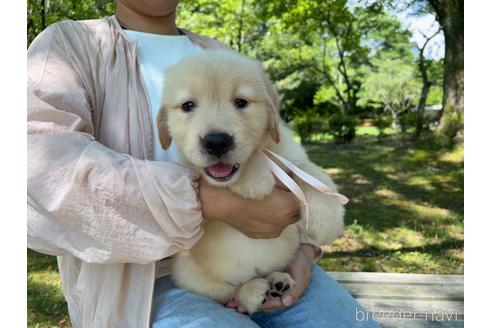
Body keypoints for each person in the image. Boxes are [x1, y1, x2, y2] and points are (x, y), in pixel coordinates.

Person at [27, 0, 380, 327]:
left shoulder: (217, 52)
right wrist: (206, 201)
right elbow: (38, 169)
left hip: (270, 259)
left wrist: (303, 249)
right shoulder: (69, 46)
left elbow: (278, 155)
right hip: (143, 283)